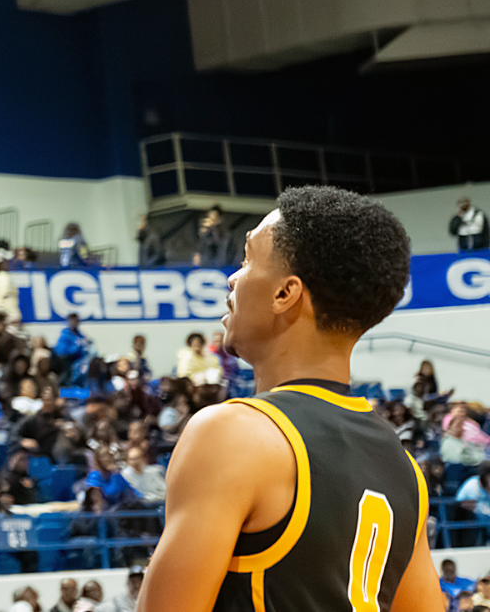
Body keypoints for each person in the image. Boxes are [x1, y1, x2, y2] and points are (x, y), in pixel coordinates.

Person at [140, 186, 443, 612]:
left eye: (247, 259)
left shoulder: (232, 434)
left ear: (285, 293)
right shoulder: (406, 470)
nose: (233, 276)